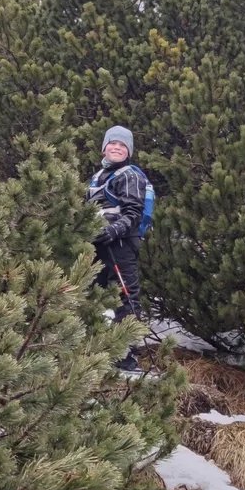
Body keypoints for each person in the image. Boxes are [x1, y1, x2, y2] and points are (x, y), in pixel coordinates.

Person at [88, 125, 149, 374]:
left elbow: (133, 213)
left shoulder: (130, 175)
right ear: (104, 147)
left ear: (128, 151)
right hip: (98, 244)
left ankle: (127, 355)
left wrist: (112, 232)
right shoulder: (99, 176)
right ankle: (99, 350)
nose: (117, 147)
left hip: (121, 245)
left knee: (126, 296)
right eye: (113, 143)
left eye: (122, 145)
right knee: (96, 296)